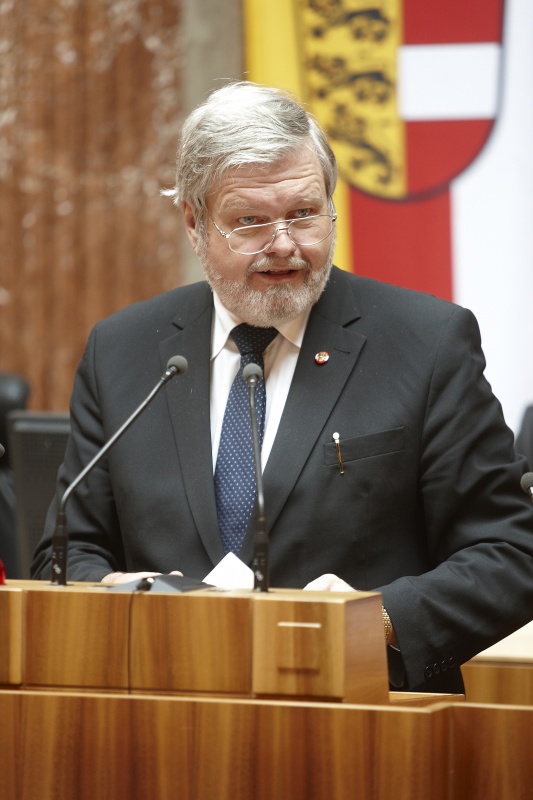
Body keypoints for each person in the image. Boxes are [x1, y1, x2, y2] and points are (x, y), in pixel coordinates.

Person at [31, 81, 533, 693]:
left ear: (331, 206)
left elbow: (509, 555)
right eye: (249, 222)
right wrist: (119, 596)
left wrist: (375, 617)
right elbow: (66, 552)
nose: (285, 245)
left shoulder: (427, 342)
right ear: (194, 223)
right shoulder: (125, 350)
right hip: (163, 719)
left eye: (303, 212)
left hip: (363, 723)